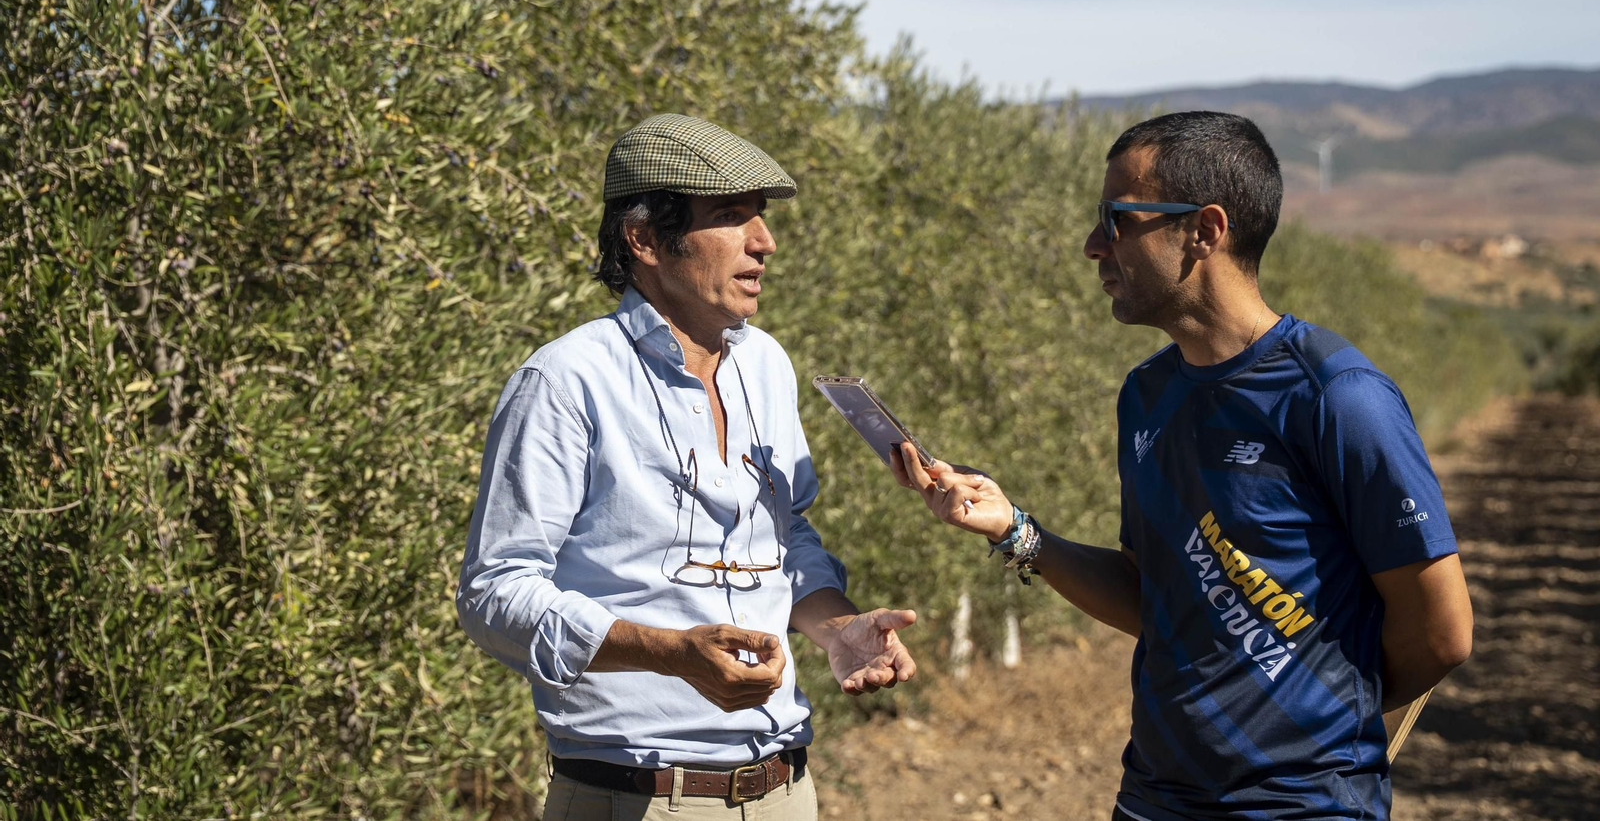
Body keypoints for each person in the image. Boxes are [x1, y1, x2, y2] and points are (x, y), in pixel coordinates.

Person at [889, 111, 1472, 821]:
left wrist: (1318, 720)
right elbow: (1154, 597)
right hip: (1154, 797)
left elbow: (1441, 633)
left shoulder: (1337, 397)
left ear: (1205, 230)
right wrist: (1016, 529)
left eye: (1118, 220)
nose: (1093, 244)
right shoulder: (1147, 395)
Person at [457, 113, 916, 820]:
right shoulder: (566, 380)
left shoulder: (765, 364)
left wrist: (836, 629)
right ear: (644, 239)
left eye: (760, 216)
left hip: (785, 790)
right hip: (635, 795)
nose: (764, 241)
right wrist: (668, 652)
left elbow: (786, 537)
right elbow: (495, 594)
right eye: (730, 216)